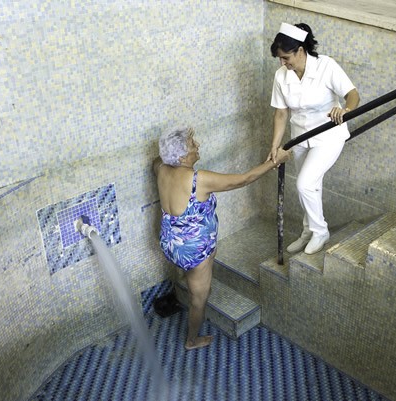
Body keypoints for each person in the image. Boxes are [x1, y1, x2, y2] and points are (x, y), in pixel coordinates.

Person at [154, 126, 290, 350]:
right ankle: (192, 340)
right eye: (191, 144)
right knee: (199, 298)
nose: (197, 145)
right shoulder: (199, 179)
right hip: (194, 251)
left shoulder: (161, 169)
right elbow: (244, 179)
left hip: (170, 243)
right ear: (181, 157)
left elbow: (156, 163)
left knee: (200, 267)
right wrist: (277, 160)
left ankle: (195, 277)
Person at [268, 22, 360, 255]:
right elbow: (281, 112)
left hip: (328, 136)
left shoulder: (326, 66)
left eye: (286, 57)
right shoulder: (281, 76)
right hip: (300, 137)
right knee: (311, 187)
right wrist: (275, 146)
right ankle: (307, 230)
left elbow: (352, 95)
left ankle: (320, 231)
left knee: (304, 184)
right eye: (279, 58)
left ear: (300, 50)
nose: (282, 63)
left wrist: (346, 111)